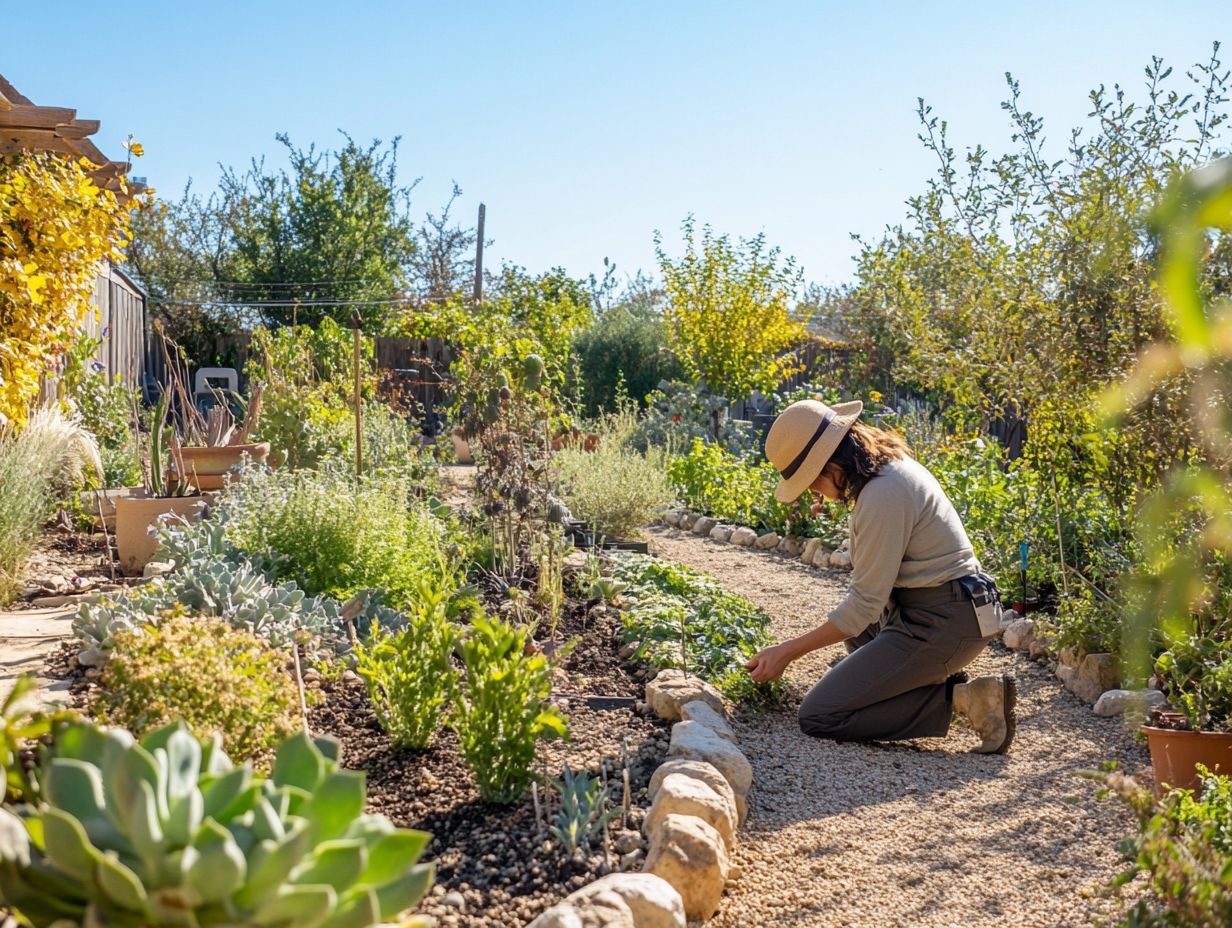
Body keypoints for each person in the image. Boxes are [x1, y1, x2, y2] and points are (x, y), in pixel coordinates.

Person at [744, 398, 1016, 754]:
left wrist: (787, 652)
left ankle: (964, 700)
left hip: (947, 622)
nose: (814, 493)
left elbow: (863, 606)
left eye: (811, 482)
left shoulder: (883, 494)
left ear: (831, 466)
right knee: (860, 641)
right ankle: (921, 684)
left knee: (820, 714)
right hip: (944, 608)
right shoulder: (889, 468)